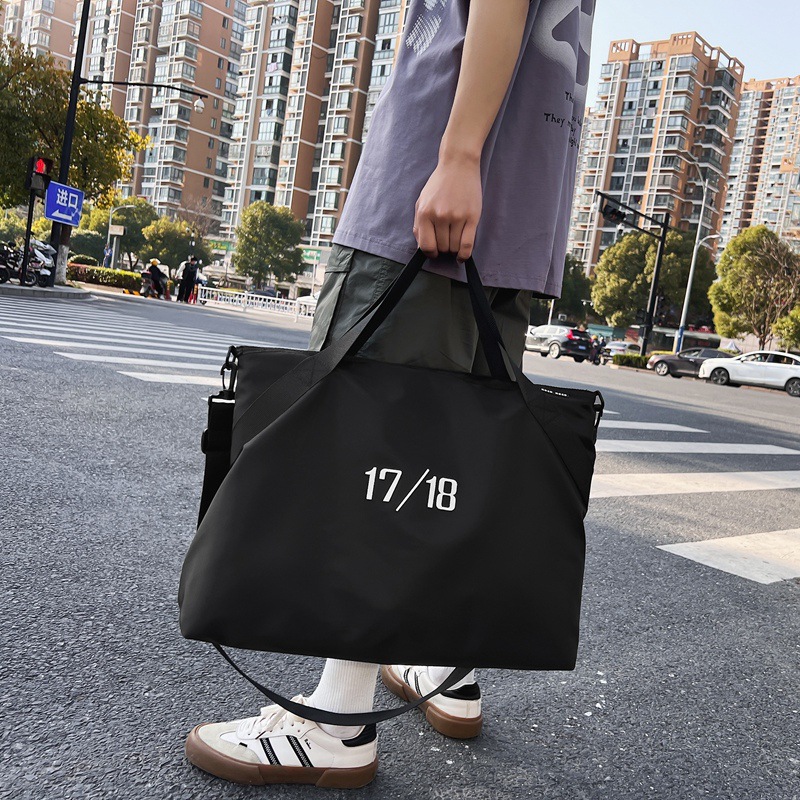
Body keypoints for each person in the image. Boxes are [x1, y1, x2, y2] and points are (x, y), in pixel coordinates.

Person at [185, 0, 595, 788]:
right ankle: (444, 663)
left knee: (369, 455)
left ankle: (337, 721)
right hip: (518, 193)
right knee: (446, 454)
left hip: (443, 172)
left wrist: (459, 154)